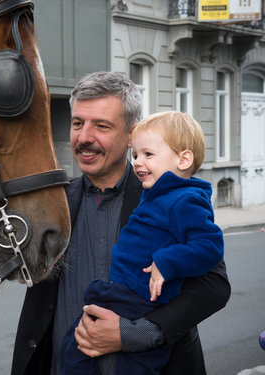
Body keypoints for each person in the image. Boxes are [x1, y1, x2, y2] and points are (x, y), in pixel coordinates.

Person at [0, 71, 231, 375]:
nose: (85, 137)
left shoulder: (168, 195)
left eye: (101, 126)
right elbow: (8, 257)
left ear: (132, 133)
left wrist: (134, 332)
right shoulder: (51, 201)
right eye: (77, 124)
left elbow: (214, 285)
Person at [60, 111, 224, 375]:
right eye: (135, 155)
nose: (137, 162)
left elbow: (211, 248)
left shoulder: (184, 198)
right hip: (118, 294)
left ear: (183, 159)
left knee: (135, 366)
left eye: (148, 155)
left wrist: (166, 262)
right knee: (72, 351)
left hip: (143, 302)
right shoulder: (156, 192)